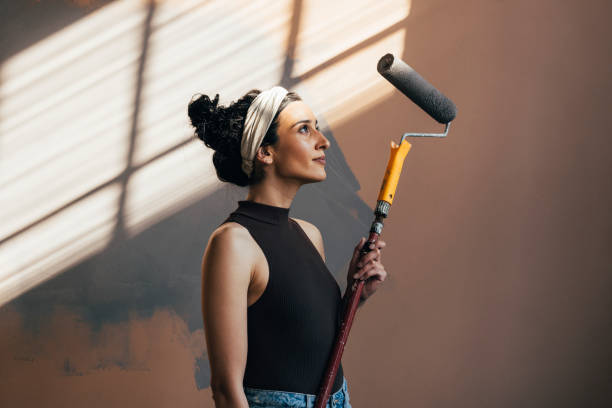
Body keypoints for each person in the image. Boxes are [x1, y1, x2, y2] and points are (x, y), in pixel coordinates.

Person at [188, 86, 388, 408]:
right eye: (304, 130)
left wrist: (355, 295)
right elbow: (226, 389)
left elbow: (308, 344)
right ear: (266, 152)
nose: (323, 142)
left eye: (317, 128)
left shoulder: (310, 234)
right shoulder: (233, 243)